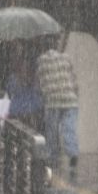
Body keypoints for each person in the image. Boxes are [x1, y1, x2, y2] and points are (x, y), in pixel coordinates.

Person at [36, 36, 80, 183]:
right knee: (69, 128)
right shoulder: (66, 59)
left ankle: (52, 158)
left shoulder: (41, 61)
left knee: (52, 131)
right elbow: (73, 80)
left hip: (52, 101)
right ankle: (72, 154)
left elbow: (41, 83)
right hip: (70, 99)